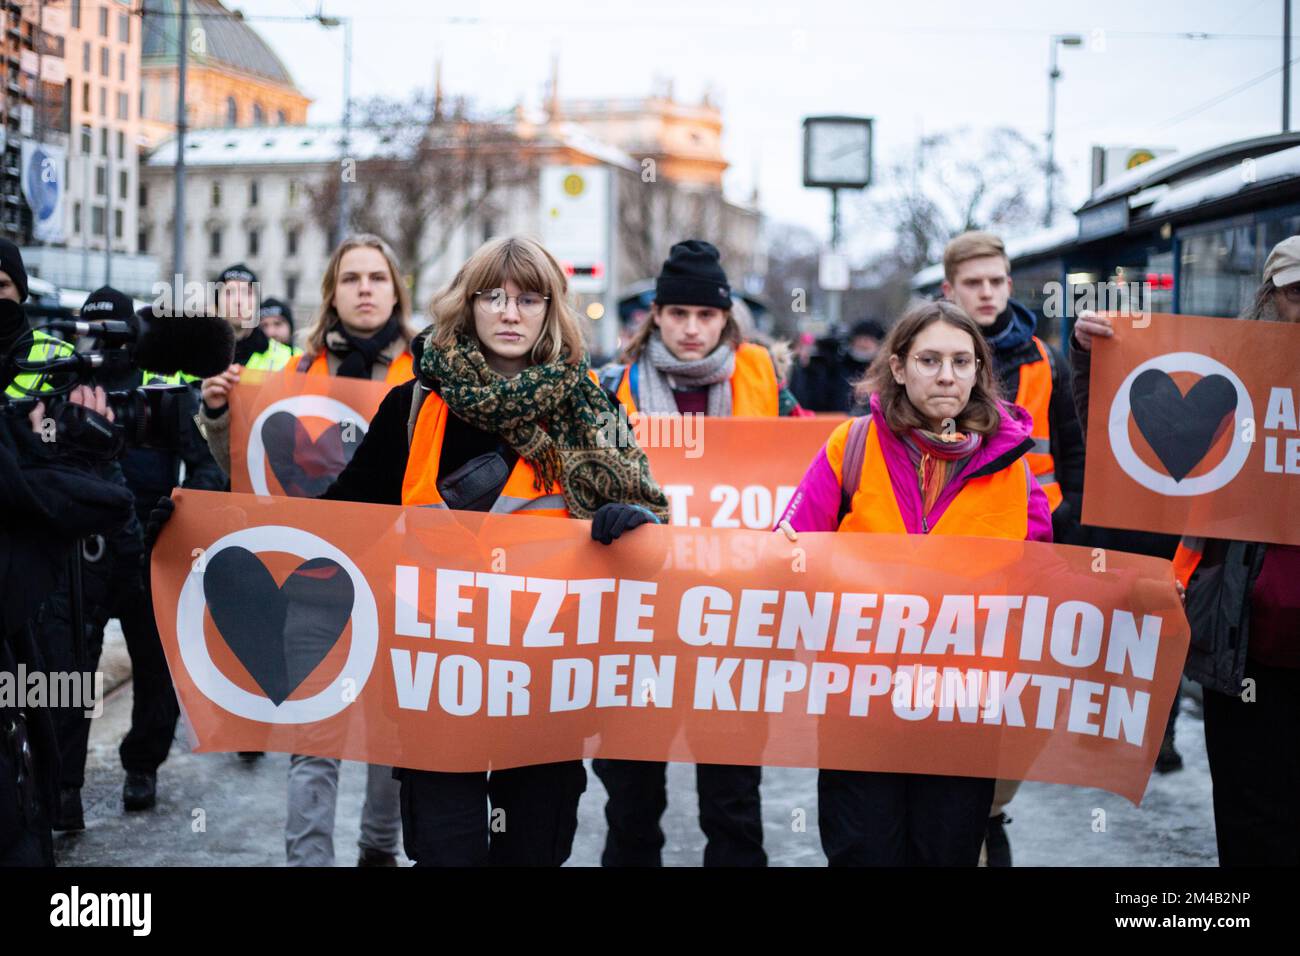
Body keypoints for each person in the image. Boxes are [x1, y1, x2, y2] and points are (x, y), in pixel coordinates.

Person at [317, 235, 669, 865]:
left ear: (549, 311)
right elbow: (338, 519)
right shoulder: (414, 404)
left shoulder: (592, 406)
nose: (510, 313)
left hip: (544, 688)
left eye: (528, 299)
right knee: (447, 853)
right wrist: (211, 525)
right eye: (494, 297)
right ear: (468, 306)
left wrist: (627, 522)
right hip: (438, 685)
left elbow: (652, 535)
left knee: (530, 854)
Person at [776, 300, 1052, 866]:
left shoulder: (1013, 468)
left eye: (961, 360)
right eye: (929, 360)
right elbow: (790, 547)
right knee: (863, 854)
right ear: (899, 367)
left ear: (979, 369)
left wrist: (1132, 596)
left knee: (946, 855)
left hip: (963, 711)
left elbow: (1040, 582)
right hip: (861, 706)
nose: (946, 375)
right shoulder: (850, 447)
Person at [1071, 235, 1300, 866]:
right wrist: (1095, 358)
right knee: (1255, 818)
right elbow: (1127, 453)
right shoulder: (1233, 372)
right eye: (1297, 293)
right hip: (1244, 643)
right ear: (1270, 299)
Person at [593, 239, 781, 867]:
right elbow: (580, 488)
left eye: (706, 316)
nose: (693, 329)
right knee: (631, 807)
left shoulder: (765, 382)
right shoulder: (612, 387)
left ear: (726, 318)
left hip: (732, 628)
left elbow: (804, 478)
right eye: (678, 314)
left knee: (733, 808)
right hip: (636, 629)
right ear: (656, 314)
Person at [940, 230, 1086, 864]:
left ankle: (991, 810)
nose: (990, 293)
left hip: (1031, 553)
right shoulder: (929, 353)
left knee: (1014, 697)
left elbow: (1072, 452)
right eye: (975, 283)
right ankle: (964, 813)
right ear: (950, 290)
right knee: (951, 696)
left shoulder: (1040, 359)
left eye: (998, 280)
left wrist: (1074, 537)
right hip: (945, 561)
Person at [197, 263, 300, 479]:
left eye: (247, 292)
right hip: (203, 477)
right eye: (230, 292)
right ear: (216, 302)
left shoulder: (290, 358)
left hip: (268, 475)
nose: (238, 300)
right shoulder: (192, 356)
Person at [790, 318, 885, 414]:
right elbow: (812, 399)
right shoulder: (837, 368)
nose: (863, 343)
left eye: (869, 339)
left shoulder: (884, 371)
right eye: (859, 339)